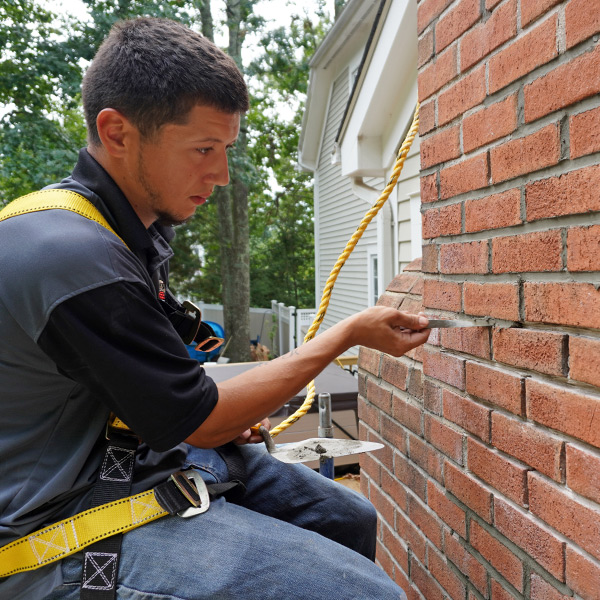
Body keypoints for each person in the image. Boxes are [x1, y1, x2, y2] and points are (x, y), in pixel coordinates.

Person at [0, 17, 430, 600]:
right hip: (56, 523)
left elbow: (151, 385)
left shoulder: (121, 229)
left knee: (345, 517)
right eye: (203, 149)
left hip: (132, 455)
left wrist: (211, 417)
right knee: (365, 594)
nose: (222, 174)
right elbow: (203, 417)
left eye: (225, 149)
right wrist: (343, 335)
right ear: (117, 131)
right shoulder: (69, 256)